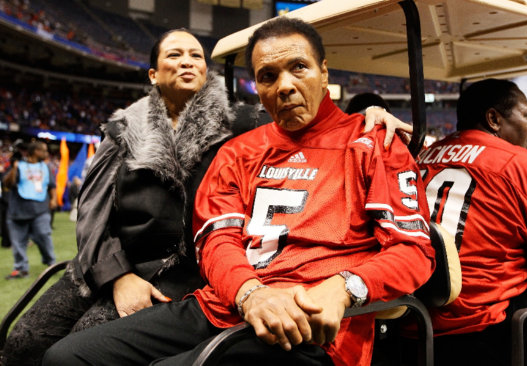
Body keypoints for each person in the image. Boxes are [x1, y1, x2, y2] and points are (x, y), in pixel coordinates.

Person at [43, 17, 435, 366]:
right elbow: (216, 238)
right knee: (66, 356)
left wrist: (344, 288)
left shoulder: (373, 142)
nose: (285, 86)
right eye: (268, 76)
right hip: (226, 305)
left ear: (324, 72)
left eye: (299, 68)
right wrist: (251, 294)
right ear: (257, 88)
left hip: (313, 323)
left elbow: (414, 251)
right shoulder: (238, 148)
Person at [0, 28, 244, 366]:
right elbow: (92, 212)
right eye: (174, 55)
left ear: (206, 70)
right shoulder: (124, 128)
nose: (187, 61)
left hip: (183, 275)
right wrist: (117, 275)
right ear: (153, 75)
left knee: (77, 349)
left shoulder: (240, 128)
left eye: (196, 55)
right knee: (24, 341)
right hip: (112, 260)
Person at [410, 78, 527, 366]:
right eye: (525, 115)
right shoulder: (522, 163)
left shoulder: (422, 156)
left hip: (414, 320)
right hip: (482, 326)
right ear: (494, 119)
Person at [3, 140, 56, 279]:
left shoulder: (45, 167)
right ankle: (21, 269)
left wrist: (53, 199)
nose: (46, 153)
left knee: (43, 236)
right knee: (18, 242)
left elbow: (52, 185)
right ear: (35, 151)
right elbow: (7, 184)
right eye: (43, 150)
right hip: (18, 211)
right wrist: (14, 168)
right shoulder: (19, 165)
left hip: (40, 209)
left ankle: (51, 265)